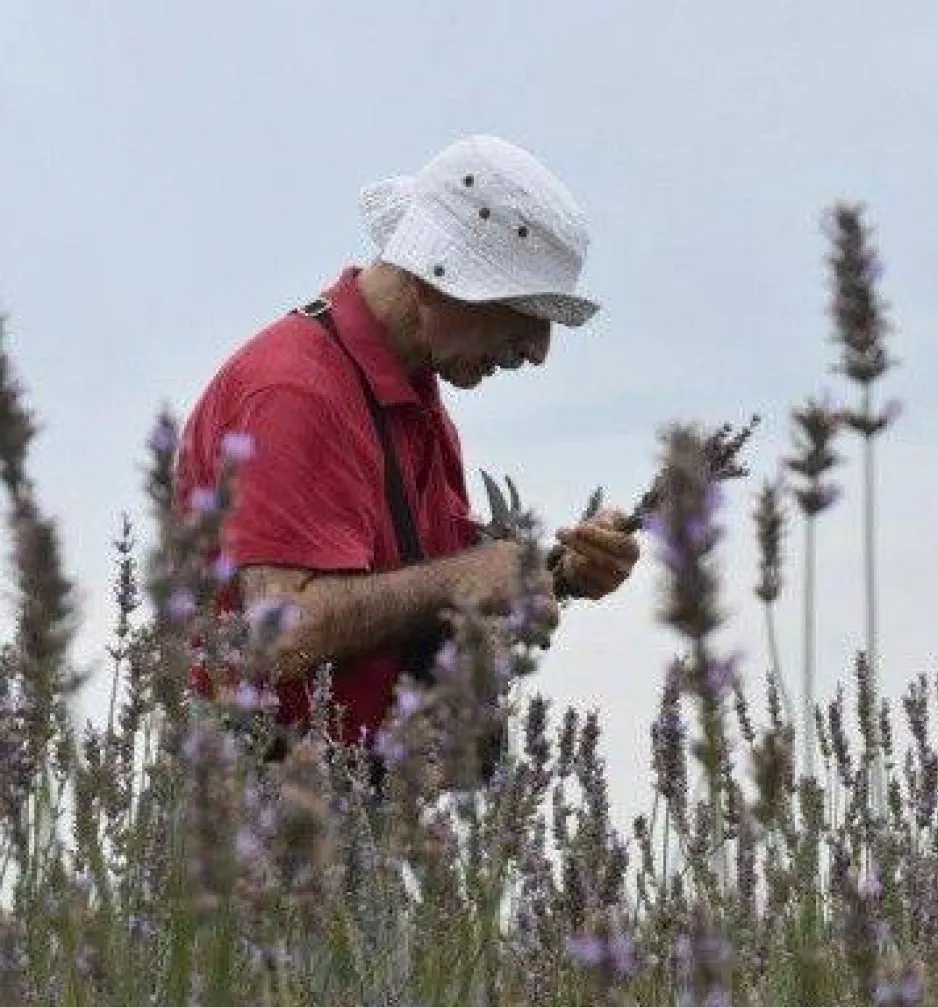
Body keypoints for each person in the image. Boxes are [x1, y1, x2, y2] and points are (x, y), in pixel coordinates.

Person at [174, 134, 640, 758]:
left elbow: (416, 592)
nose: (538, 350)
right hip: (265, 802)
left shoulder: (408, 393)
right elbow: (279, 633)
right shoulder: (295, 392)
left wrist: (558, 575)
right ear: (434, 281)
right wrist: (467, 576)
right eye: (525, 310)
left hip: (360, 797)